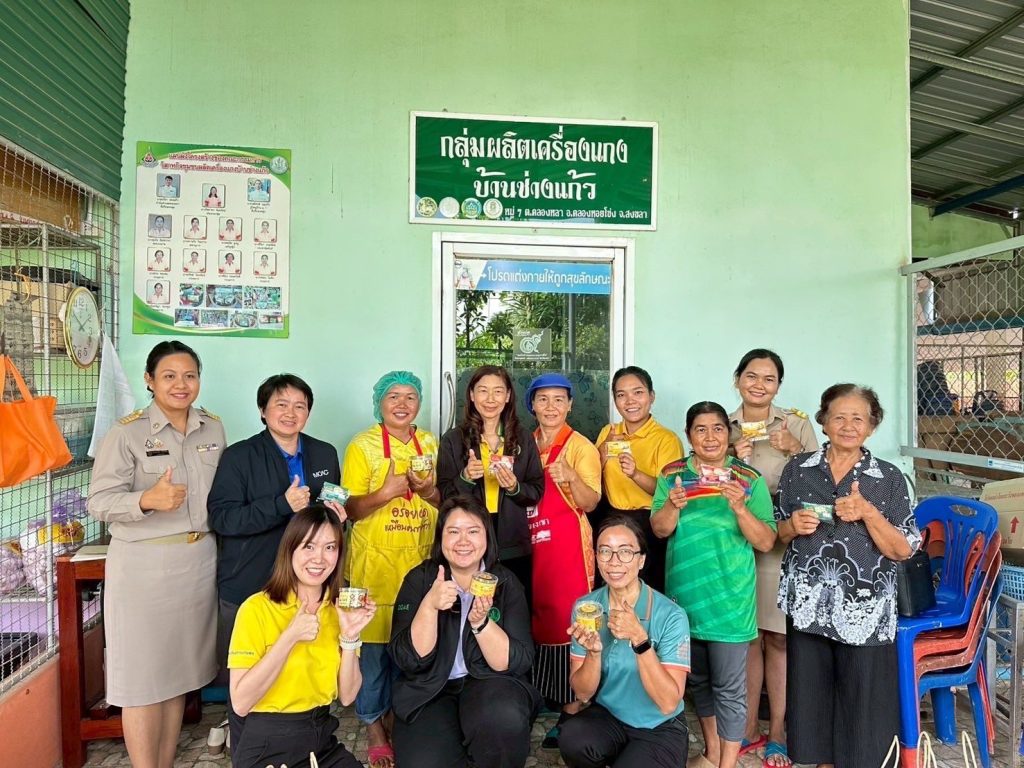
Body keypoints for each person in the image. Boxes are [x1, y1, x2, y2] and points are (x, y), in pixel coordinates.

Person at [87, 341, 225, 768]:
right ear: (149, 380)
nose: (181, 384)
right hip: (144, 569)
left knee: (177, 676)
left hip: (198, 564)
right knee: (143, 682)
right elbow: (98, 501)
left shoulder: (212, 428)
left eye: (189, 375)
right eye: (169, 376)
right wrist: (146, 500)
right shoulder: (126, 433)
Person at [776, 384, 919, 768]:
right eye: (839, 416)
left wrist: (869, 513)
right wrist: (792, 525)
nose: (848, 425)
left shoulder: (888, 477)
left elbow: (902, 549)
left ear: (871, 427)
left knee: (863, 695)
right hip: (809, 602)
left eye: (859, 418)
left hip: (864, 606)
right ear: (823, 421)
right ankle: (822, 762)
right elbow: (777, 531)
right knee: (812, 691)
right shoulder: (798, 470)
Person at [207, 374, 343, 750]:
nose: (290, 412)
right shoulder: (239, 457)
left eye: (300, 406)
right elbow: (222, 518)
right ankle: (246, 747)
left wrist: (336, 516)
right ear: (263, 411)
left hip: (308, 585)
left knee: (299, 662)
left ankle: (307, 738)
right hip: (251, 580)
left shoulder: (324, 453)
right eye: (281, 404)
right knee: (247, 676)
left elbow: (329, 509)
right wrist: (280, 505)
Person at [651, 402, 776, 768]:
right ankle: (713, 752)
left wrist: (740, 508)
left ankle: (728, 764)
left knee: (730, 689)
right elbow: (659, 529)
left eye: (718, 428)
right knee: (700, 682)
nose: (710, 437)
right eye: (700, 429)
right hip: (684, 601)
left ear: (728, 433)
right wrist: (672, 505)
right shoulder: (673, 474)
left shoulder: (748, 479)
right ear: (689, 435)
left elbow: (766, 541)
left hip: (730, 601)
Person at [389, 496, 540, 768]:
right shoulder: (420, 579)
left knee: (502, 720)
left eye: (473, 531)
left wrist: (481, 623)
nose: (463, 541)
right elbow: (408, 659)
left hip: (489, 682)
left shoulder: (506, 582)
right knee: (421, 762)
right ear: (441, 537)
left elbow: (518, 661)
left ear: (487, 537)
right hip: (430, 688)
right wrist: (429, 606)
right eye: (453, 531)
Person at [341, 371, 440, 768]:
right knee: (373, 657)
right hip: (373, 567)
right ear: (379, 403)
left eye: (410, 397)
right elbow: (349, 509)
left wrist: (427, 489)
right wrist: (385, 493)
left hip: (417, 564)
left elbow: (441, 500)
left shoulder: (429, 442)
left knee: (410, 650)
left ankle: (400, 717)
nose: (402, 404)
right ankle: (373, 726)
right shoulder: (361, 445)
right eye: (393, 396)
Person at [228, 505, 376, 768]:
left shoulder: (338, 610)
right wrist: (289, 637)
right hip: (267, 745)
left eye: (329, 547)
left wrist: (350, 637)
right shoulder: (256, 608)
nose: (319, 558)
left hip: (320, 740)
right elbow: (240, 702)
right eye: (309, 546)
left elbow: (347, 695)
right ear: (290, 549)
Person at [728, 349, 818, 766]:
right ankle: (748, 727)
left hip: (784, 537)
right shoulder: (724, 425)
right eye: (751, 376)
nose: (759, 385)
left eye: (769, 378)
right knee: (748, 635)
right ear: (737, 379)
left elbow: (822, 480)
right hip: (737, 535)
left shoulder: (795, 423)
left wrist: (796, 450)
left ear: (778, 386)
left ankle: (778, 729)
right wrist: (732, 458)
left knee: (778, 636)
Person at [559, 514, 690, 768]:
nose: (614, 561)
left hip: (659, 726)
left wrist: (640, 640)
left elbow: (668, 703)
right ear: (596, 557)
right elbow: (583, 693)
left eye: (626, 552)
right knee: (573, 738)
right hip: (610, 716)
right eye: (605, 551)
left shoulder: (670, 615)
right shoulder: (587, 608)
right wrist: (593, 654)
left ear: (641, 560)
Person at [523, 373, 600, 747]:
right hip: (531, 543)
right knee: (536, 619)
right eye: (543, 399)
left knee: (568, 620)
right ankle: (545, 697)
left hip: (568, 546)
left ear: (570, 405)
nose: (550, 407)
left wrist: (570, 477)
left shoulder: (580, 447)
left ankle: (571, 709)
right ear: (532, 406)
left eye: (558, 399)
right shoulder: (525, 444)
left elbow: (591, 501)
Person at [437, 365, 544, 597]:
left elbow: (536, 490)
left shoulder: (523, 438)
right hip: (467, 542)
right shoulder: (453, 440)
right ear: (472, 395)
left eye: (498, 391)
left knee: (513, 604)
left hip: (513, 542)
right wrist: (465, 478)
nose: (490, 399)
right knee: (468, 605)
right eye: (483, 391)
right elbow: (443, 497)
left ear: (508, 396)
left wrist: (514, 487)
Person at [594, 366, 682, 592]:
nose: (630, 401)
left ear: (651, 396)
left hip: (648, 524)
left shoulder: (666, 439)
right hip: (610, 518)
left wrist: (635, 474)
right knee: (610, 586)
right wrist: (604, 449)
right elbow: (592, 479)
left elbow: (667, 493)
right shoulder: (608, 432)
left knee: (645, 589)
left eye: (638, 392)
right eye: (621, 395)